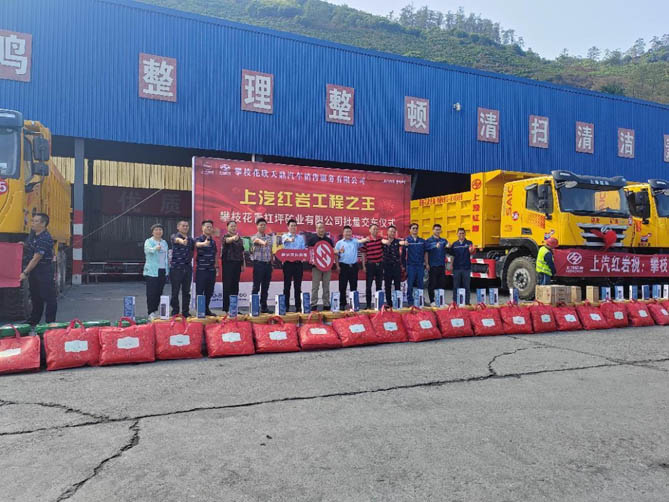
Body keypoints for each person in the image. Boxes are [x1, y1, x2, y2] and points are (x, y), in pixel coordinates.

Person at [19, 213, 57, 325]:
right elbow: (31, 246)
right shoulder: (34, 235)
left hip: (44, 270)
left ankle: (50, 323)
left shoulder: (44, 238)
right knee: (35, 296)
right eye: (32, 221)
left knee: (49, 297)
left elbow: (36, 258)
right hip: (35, 270)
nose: (32, 223)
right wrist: (23, 245)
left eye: (36, 221)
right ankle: (34, 320)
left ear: (43, 224)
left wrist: (25, 272)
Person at [335, 226, 369, 309]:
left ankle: (353, 304)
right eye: (346, 231)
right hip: (343, 266)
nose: (348, 233)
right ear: (343, 233)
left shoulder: (355, 241)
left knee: (353, 286)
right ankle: (342, 304)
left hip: (353, 266)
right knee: (342, 286)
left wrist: (367, 238)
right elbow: (336, 255)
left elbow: (361, 241)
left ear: (351, 233)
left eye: (349, 232)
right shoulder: (339, 243)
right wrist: (337, 266)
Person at [143, 223, 169, 320]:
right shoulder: (149, 241)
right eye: (156, 230)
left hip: (162, 270)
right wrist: (155, 248)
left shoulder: (164, 242)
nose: (158, 231)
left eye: (160, 230)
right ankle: (150, 312)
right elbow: (147, 250)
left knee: (159, 291)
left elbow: (166, 256)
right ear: (152, 232)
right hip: (152, 271)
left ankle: (155, 310)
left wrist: (167, 270)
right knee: (151, 292)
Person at [169, 220, 194, 317]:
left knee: (186, 291)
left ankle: (185, 311)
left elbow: (192, 251)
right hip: (176, 268)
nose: (185, 227)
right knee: (175, 291)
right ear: (178, 227)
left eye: (187, 226)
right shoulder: (174, 236)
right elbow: (177, 240)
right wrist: (182, 241)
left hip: (187, 268)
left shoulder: (191, 239)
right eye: (183, 226)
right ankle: (175, 311)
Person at [307, 221, 334, 311]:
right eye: (319, 228)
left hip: (327, 266)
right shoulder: (312, 240)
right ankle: (313, 304)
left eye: (322, 227)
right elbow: (309, 253)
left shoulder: (329, 240)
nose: (321, 229)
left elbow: (332, 252)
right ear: (316, 229)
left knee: (326, 286)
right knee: (315, 286)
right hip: (316, 267)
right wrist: (313, 261)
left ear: (324, 229)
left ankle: (326, 304)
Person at [281, 219, 306, 312]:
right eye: (291, 226)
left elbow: (303, 250)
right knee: (287, 286)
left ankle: (298, 306)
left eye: (295, 226)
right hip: (288, 264)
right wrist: (290, 239)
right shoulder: (284, 236)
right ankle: (286, 306)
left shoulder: (300, 238)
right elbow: (285, 240)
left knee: (298, 286)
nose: (293, 227)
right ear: (288, 227)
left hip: (298, 264)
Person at [221, 221, 245, 313]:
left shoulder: (240, 239)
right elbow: (227, 241)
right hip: (228, 264)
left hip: (237, 264)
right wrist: (233, 238)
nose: (233, 228)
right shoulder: (225, 236)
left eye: (235, 226)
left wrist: (243, 264)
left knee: (235, 286)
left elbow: (242, 252)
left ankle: (234, 308)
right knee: (227, 285)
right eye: (231, 226)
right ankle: (226, 308)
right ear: (227, 227)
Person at [195, 220, 218, 316]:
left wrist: (217, 267)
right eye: (207, 226)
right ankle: (199, 311)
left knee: (209, 291)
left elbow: (215, 255)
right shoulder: (198, 239)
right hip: (201, 270)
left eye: (210, 227)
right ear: (202, 228)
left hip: (211, 270)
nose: (209, 228)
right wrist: (203, 244)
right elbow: (196, 244)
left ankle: (206, 309)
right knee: (200, 291)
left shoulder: (213, 241)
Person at [447, 227, 475, 304]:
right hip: (457, 268)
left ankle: (467, 302)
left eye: (463, 233)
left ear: (465, 234)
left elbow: (472, 253)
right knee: (456, 286)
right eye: (460, 233)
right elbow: (452, 256)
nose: (461, 235)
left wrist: (471, 251)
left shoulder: (469, 243)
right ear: (457, 234)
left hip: (466, 268)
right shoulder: (454, 244)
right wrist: (451, 265)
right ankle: (455, 302)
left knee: (467, 286)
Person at [251, 218, 273, 313]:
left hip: (267, 265)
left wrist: (271, 263)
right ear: (257, 226)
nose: (263, 226)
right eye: (261, 225)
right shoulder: (253, 237)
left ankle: (264, 307)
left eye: (264, 225)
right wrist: (263, 243)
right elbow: (257, 241)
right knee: (256, 286)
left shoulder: (269, 237)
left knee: (265, 287)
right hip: (258, 264)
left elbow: (270, 251)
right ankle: (254, 307)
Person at [401, 223, 425, 306]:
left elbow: (426, 252)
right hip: (411, 266)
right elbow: (403, 254)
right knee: (410, 284)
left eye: (416, 228)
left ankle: (420, 301)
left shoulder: (422, 241)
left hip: (420, 265)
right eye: (413, 228)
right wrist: (404, 265)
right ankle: (410, 301)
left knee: (420, 284)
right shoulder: (406, 241)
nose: (415, 230)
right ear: (410, 230)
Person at [424, 224, 448, 306]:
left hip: (441, 265)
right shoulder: (429, 241)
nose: (438, 231)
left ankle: (440, 301)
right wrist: (427, 264)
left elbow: (448, 246)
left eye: (439, 230)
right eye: (436, 229)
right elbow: (426, 253)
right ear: (433, 230)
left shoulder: (443, 240)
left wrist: (449, 245)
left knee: (441, 284)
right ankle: (432, 301)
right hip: (433, 265)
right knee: (432, 284)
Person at [361, 224, 384, 309]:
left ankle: (379, 305)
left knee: (379, 286)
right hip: (370, 265)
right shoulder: (366, 240)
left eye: (377, 229)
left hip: (379, 265)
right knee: (368, 286)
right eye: (373, 229)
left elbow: (384, 251)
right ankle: (368, 305)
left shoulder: (380, 240)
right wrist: (363, 265)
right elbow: (363, 254)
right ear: (369, 230)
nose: (375, 231)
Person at [381, 225, 403, 307]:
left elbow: (402, 242)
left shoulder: (397, 241)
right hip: (387, 266)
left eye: (394, 232)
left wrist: (404, 243)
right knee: (387, 285)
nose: (392, 233)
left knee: (397, 285)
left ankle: (397, 303)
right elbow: (380, 241)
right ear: (387, 232)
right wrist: (384, 241)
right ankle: (389, 303)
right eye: (391, 231)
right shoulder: (383, 241)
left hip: (396, 266)